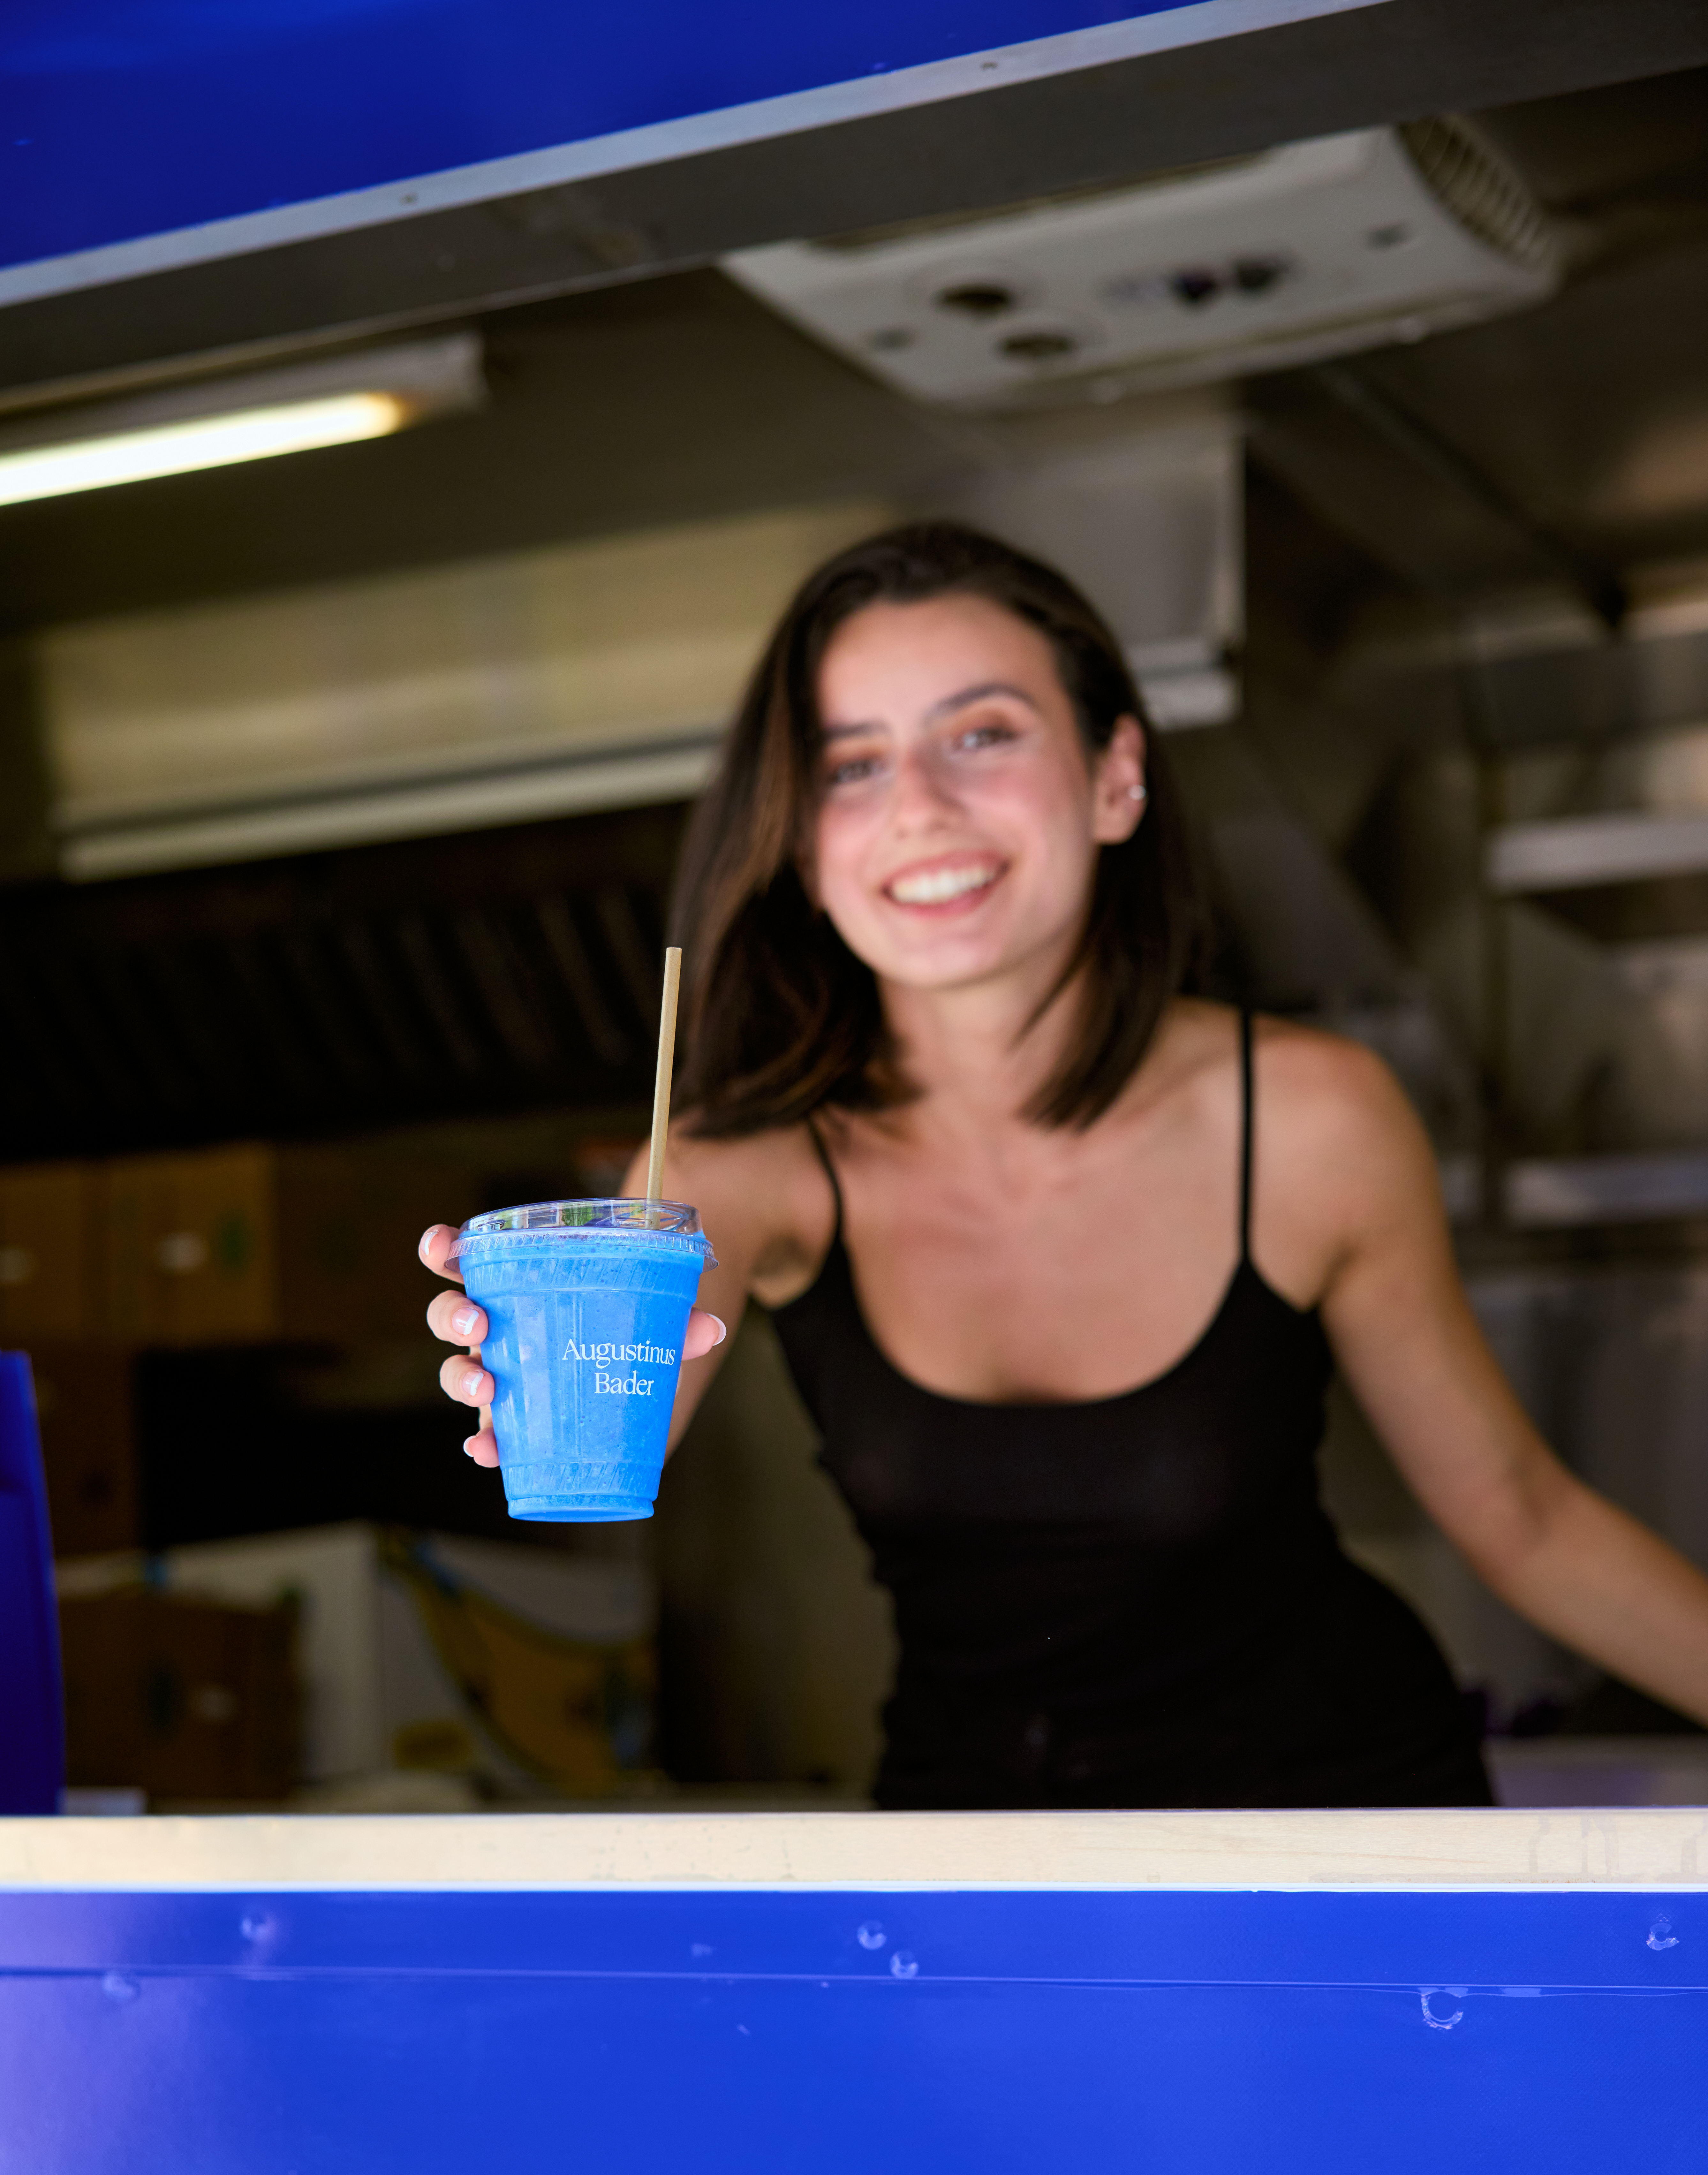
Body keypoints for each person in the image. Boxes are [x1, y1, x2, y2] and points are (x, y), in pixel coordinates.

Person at [421, 521, 1708, 1807]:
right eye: (851, 764)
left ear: (1115, 776)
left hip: (1342, 1834)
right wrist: (539, 1365)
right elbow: (624, 1382)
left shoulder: (1313, 1118)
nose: (920, 804)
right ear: (805, 846)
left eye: (981, 734)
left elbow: (1524, 1520)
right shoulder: (750, 1164)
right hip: (979, 1867)